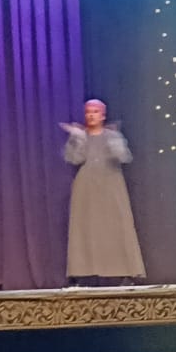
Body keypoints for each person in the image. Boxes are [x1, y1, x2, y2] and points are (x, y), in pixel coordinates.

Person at [62, 99, 145, 285]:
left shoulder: (112, 136)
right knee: (85, 227)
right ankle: (83, 273)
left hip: (110, 185)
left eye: (95, 112)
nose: (91, 115)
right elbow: (74, 159)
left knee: (116, 226)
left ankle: (124, 272)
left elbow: (125, 157)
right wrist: (78, 139)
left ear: (103, 115)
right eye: (88, 112)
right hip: (86, 187)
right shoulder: (81, 135)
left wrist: (115, 143)